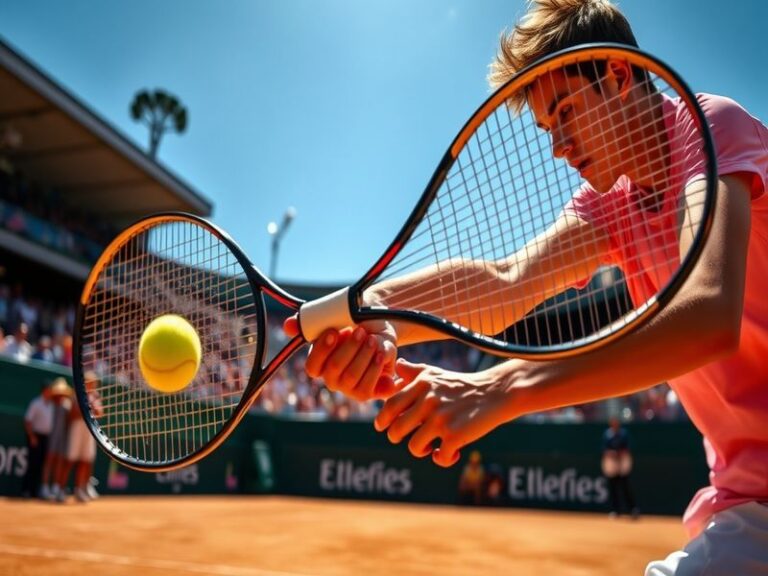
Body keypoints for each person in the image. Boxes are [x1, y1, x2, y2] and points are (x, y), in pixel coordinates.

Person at [284, 1, 768, 573]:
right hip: (748, 501)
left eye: (565, 112)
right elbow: (508, 282)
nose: (559, 147)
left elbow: (705, 316)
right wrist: (374, 311)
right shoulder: (609, 203)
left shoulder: (710, 127)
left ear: (615, 74)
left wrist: (503, 387)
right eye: (547, 128)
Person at [57, 371, 102, 502]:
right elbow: (71, 415)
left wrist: (93, 409)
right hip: (76, 429)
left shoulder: (95, 395)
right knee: (69, 460)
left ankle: (80, 490)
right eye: (89, 382)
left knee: (86, 461)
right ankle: (60, 489)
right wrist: (86, 410)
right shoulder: (76, 394)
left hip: (90, 430)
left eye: (93, 383)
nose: (92, 385)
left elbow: (100, 413)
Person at [43, 377, 73, 502]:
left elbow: (69, 421)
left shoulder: (67, 405)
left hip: (62, 436)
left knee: (59, 461)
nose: (60, 395)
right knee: (49, 460)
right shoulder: (50, 403)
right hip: (51, 435)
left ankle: (55, 487)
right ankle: (44, 487)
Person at [602, 417, 638, 519]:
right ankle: (615, 510)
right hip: (612, 464)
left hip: (622, 462)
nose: (614, 424)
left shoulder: (624, 434)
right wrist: (611, 453)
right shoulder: (607, 434)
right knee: (613, 488)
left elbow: (628, 447)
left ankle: (633, 509)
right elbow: (604, 449)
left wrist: (619, 453)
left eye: (616, 423)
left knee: (625, 487)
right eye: (613, 423)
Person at [21, 383, 53, 498]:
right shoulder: (36, 403)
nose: (51, 393)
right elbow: (27, 421)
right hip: (35, 437)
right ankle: (26, 491)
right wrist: (32, 437)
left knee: (41, 465)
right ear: (44, 390)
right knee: (32, 465)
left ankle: (35, 492)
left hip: (46, 438)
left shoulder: (51, 405)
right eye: (49, 390)